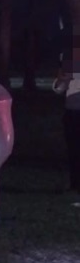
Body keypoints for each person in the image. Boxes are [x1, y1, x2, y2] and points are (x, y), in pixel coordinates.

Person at [54, 32, 80, 205]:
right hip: (72, 111)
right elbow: (58, 89)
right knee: (73, 150)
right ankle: (75, 184)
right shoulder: (69, 60)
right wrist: (62, 80)